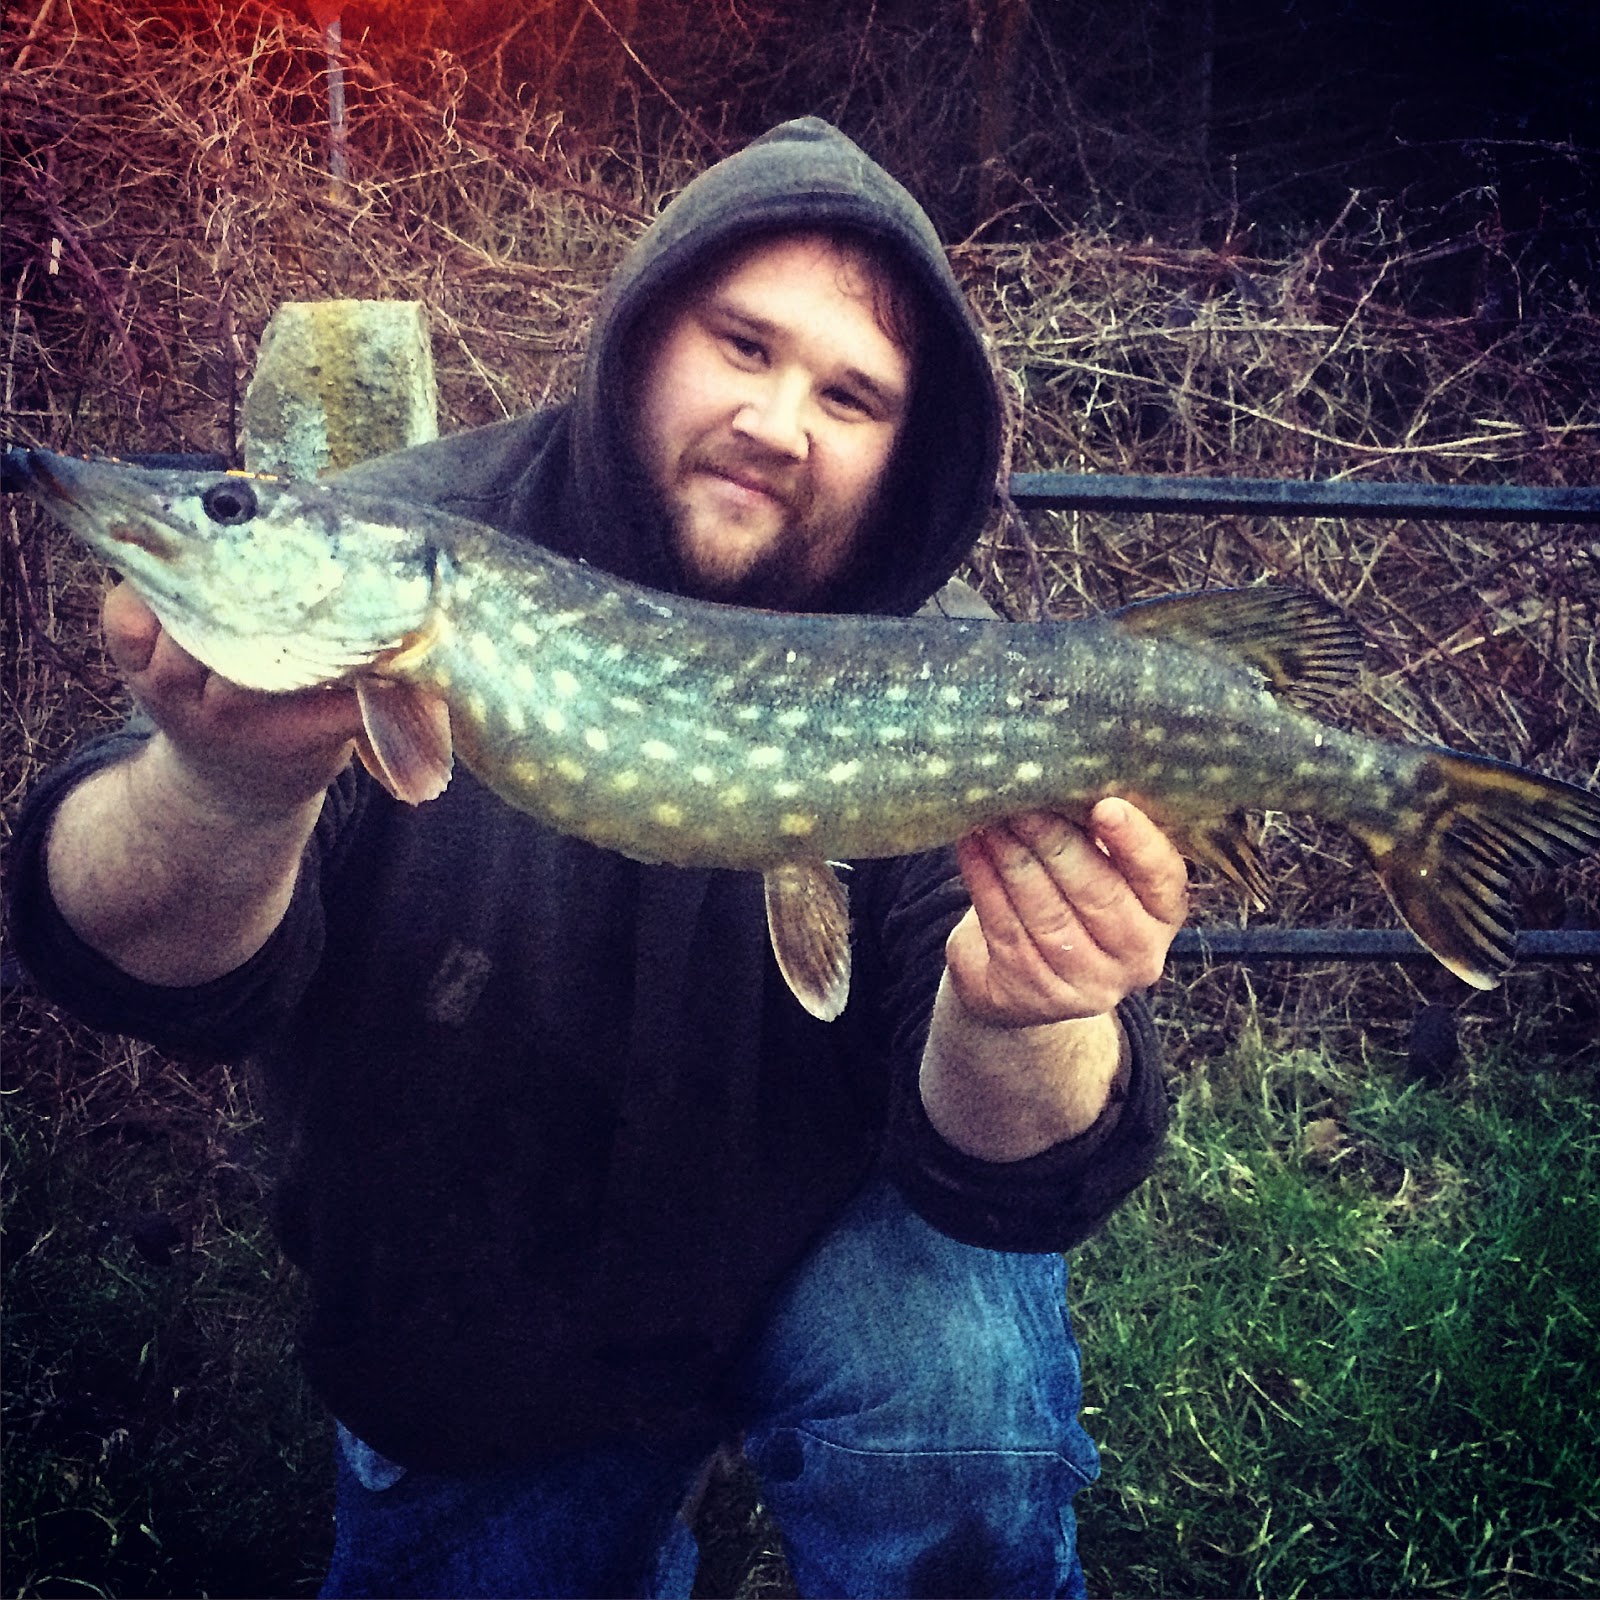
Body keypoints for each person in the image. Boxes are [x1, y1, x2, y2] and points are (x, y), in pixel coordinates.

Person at [8, 118, 1187, 1598]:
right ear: (642, 336)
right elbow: (128, 949)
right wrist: (223, 790)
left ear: (906, 449)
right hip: (484, 1278)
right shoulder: (418, 540)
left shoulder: (941, 677)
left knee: (954, 1374)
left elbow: (1019, 1167)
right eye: (742, 344)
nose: (778, 421)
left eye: (851, 395)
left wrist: (1028, 1008)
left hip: (826, 1229)